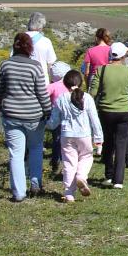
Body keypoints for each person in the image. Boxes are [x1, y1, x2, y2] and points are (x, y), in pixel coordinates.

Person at [0, 33, 52, 201]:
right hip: (34, 116)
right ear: (30, 48)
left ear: (14, 46)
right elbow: (42, 93)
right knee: (35, 148)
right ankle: (35, 183)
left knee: (16, 154)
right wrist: (48, 111)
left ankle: (19, 193)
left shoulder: (5, 65)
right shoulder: (35, 66)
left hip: (11, 115)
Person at [88, 41, 128, 189]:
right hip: (123, 111)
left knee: (108, 143)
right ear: (123, 55)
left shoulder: (101, 70)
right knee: (121, 144)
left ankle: (109, 175)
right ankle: (118, 180)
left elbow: (93, 92)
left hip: (106, 111)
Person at [46, 70, 103, 202]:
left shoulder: (61, 98)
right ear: (81, 82)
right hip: (84, 134)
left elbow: (54, 122)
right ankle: (81, 176)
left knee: (69, 163)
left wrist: (45, 124)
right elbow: (94, 119)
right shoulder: (87, 98)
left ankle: (69, 193)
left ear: (65, 84)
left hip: (67, 135)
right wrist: (98, 137)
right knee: (86, 157)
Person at [47, 61, 72, 176]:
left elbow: (43, 96)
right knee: (66, 141)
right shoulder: (70, 86)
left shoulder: (52, 86)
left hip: (55, 116)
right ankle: (65, 163)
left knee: (56, 140)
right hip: (69, 117)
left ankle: (55, 162)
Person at [24, 12, 57, 87]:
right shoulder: (46, 41)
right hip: (41, 81)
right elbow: (50, 64)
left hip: (22, 82)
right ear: (40, 26)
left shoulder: (19, 39)